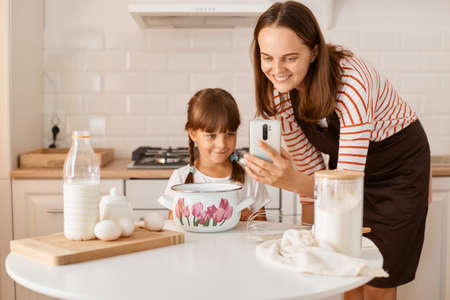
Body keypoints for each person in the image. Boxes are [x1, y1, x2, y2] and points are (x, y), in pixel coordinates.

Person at [243, 2, 430, 300]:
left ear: (314, 51)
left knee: (378, 283)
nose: (277, 71)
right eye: (267, 58)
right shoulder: (281, 94)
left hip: (397, 173)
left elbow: (346, 187)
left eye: (290, 58)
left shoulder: (351, 82)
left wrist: (288, 180)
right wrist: (309, 238)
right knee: (343, 272)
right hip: (346, 174)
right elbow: (308, 167)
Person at [164, 88, 269, 221]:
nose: (222, 144)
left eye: (230, 134)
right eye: (211, 135)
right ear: (193, 134)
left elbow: (262, 225)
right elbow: (173, 224)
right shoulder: (180, 178)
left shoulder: (250, 176)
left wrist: (249, 219)